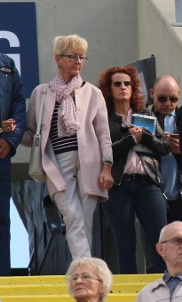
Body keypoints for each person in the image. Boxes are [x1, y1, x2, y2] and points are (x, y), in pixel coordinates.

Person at [22, 35, 113, 260]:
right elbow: (30, 134)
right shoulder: (41, 93)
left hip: (89, 162)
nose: (78, 61)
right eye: (73, 56)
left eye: (82, 57)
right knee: (72, 215)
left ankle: (83, 269)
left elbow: (103, 134)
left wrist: (107, 166)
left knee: (85, 219)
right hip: (56, 162)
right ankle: (87, 269)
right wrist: (10, 131)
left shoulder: (93, 92)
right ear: (58, 59)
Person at [98, 66, 169, 275]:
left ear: (134, 87)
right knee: (125, 243)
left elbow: (164, 148)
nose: (123, 88)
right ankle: (129, 293)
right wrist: (131, 140)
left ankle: (164, 286)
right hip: (118, 185)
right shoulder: (104, 119)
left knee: (160, 239)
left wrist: (145, 136)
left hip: (147, 182)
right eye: (117, 84)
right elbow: (102, 152)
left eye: (127, 83)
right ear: (109, 89)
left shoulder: (145, 114)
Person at [150, 74, 182, 229]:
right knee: (157, 245)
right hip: (153, 194)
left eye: (173, 99)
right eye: (162, 98)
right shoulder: (144, 118)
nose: (168, 104)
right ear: (152, 94)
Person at [0, 53, 26, 277]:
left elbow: (18, 102)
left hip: (1, 152)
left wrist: (10, 138)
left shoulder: (6, 64)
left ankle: (3, 277)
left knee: (1, 217)